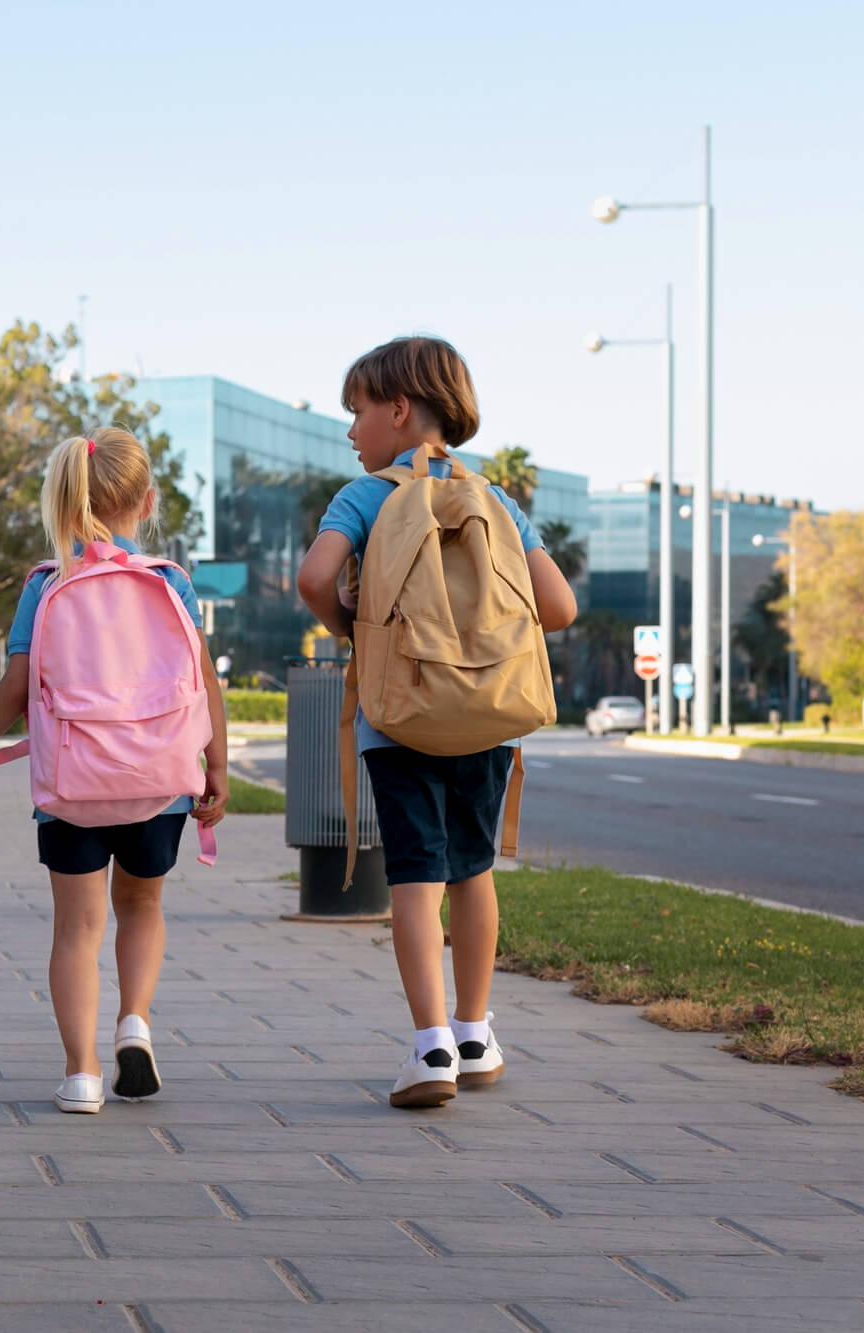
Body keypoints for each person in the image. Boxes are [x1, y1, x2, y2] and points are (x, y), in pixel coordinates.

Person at [295, 337, 576, 1109]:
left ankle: (430, 1049)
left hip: (402, 716)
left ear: (398, 409)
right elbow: (559, 607)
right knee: (473, 871)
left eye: (356, 412)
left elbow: (316, 576)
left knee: (415, 879)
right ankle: (477, 1032)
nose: (351, 432)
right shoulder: (498, 500)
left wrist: (351, 622)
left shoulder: (365, 497)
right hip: (490, 717)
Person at [0, 427, 229, 1115]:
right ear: (147, 500)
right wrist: (213, 765)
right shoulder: (169, 581)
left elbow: (15, 684)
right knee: (143, 906)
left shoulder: (47, 584)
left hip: (72, 789)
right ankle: (135, 1021)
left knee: (77, 928)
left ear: (65, 502)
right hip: (157, 782)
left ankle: (82, 1073)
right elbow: (203, 683)